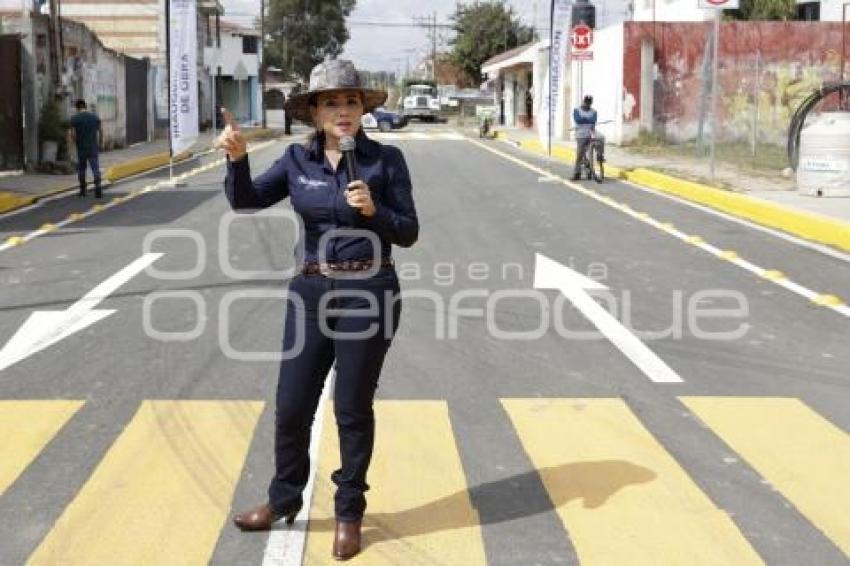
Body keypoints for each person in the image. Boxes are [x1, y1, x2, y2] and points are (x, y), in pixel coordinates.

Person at [218, 59, 419, 561]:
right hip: (309, 296)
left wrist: (376, 211)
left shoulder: (385, 161)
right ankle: (283, 500)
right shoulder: (295, 161)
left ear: (362, 109)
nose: (343, 110)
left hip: (370, 293)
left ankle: (349, 513)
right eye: (331, 102)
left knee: (351, 409)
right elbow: (245, 201)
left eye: (351, 101)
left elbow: (409, 231)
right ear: (315, 111)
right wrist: (237, 159)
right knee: (291, 409)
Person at [68, 99, 103, 198]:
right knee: (95, 167)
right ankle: (98, 188)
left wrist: (74, 144)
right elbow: (101, 131)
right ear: (85, 106)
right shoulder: (94, 117)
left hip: (81, 147)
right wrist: (100, 143)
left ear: (77, 108)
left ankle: (83, 191)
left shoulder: (74, 119)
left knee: (82, 168)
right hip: (93, 146)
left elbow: (73, 134)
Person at [572, 94, 599, 181]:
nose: (587, 104)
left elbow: (593, 120)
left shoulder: (594, 111)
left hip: (591, 134)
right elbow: (578, 120)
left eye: (589, 103)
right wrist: (588, 120)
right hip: (580, 135)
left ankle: (589, 167)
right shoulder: (577, 110)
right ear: (583, 101)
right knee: (580, 153)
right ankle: (577, 173)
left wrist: (584, 120)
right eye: (586, 102)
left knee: (590, 153)